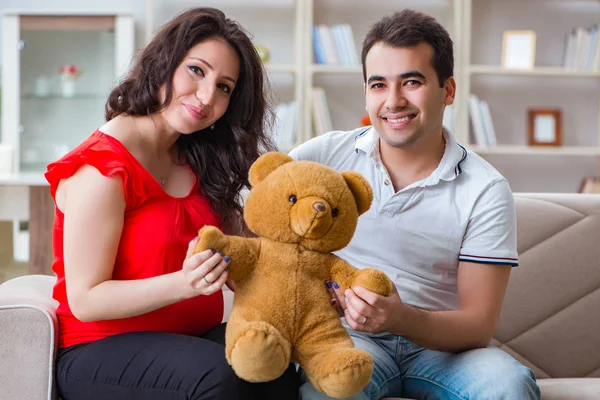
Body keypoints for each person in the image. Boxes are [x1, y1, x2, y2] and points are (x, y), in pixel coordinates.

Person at [45, 7, 299, 400]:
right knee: (221, 378)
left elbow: (242, 264)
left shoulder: (199, 159)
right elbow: (86, 299)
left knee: (274, 366)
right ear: (165, 63)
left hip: (186, 340)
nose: (206, 96)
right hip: (96, 350)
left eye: (224, 87)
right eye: (197, 70)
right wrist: (185, 283)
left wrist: (308, 283)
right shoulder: (103, 168)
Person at [290, 9, 540, 400]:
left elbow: (477, 327)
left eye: (411, 81)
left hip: (445, 351)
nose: (393, 102)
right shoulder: (322, 155)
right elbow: (261, 226)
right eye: (378, 85)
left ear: (449, 90)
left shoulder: (486, 189)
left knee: (509, 384)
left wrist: (400, 318)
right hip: (349, 338)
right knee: (330, 387)